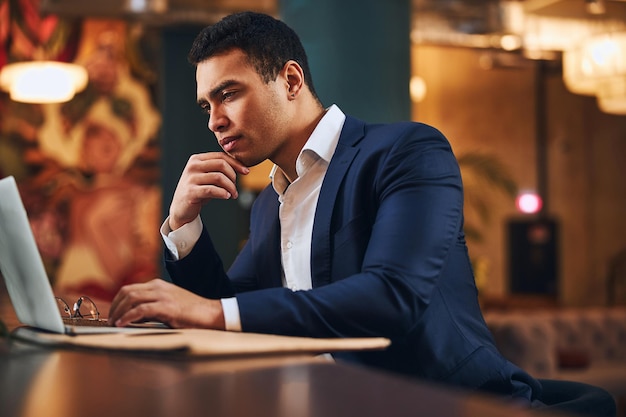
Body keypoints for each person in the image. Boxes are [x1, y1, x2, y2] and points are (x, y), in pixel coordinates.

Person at [109, 11, 542, 403]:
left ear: (291, 81)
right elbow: (229, 311)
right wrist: (182, 223)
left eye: (229, 94)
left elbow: (393, 296)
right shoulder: (267, 207)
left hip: (450, 405)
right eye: (208, 105)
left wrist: (213, 312)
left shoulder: (407, 152)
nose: (214, 120)